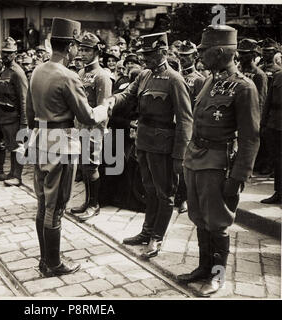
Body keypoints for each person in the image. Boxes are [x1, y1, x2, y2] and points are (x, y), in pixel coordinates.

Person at [176, 25, 260, 297]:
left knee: (218, 222)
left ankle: (217, 276)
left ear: (222, 52)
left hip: (218, 164)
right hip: (196, 160)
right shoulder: (209, 81)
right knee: (199, 217)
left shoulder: (244, 88)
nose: (200, 54)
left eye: (204, 50)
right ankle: (203, 267)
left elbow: (250, 138)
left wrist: (237, 178)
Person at [26, 17, 111, 277]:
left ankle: (45, 258)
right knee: (56, 206)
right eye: (77, 46)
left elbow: (29, 114)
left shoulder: (38, 70)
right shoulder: (69, 76)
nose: (79, 51)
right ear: (72, 45)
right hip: (61, 142)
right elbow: (86, 116)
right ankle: (53, 264)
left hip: (39, 139)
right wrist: (104, 107)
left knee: (42, 203)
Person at [107, 32, 193, 259]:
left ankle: (157, 237)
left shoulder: (175, 79)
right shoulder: (144, 75)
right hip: (143, 140)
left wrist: (179, 155)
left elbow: (185, 119)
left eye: (151, 54)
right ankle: (146, 231)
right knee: (149, 189)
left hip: (163, 144)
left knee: (165, 193)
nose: (146, 58)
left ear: (163, 52)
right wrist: (112, 99)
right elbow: (128, 95)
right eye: (144, 54)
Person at [69, 32, 112, 222]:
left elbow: (103, 107)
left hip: (93, 129)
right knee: (84, 167)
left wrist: (98, 131)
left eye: (87, 50)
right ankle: (87, 201)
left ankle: (94, 204)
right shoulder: (80, 73)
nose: (83, 53)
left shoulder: (102, 76)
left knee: (91, 167)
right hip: (79, 127)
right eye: (82, 49)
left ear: (97, 52)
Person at [176, 40, 207, 214]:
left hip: (189, 126)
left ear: (195, 57)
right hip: (173, 124)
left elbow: (198, 107)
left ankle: (184, 198)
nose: (182, 59)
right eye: (181, 56)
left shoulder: (199, 80)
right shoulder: (175, 76)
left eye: (186, 56)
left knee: (185, 163)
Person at [0, 37, 28, 186]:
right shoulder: (4, 71)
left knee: (18, 147)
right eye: (4, 53)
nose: (5, 56)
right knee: (11, 147)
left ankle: (18, 176)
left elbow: (24, 99)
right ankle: (11, 173)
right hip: (5, 117)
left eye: (9, 53)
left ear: (15, 54)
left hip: (15, 118)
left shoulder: (17, 73)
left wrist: (24, 123)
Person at [237, 39, 269, 175]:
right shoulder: (238, 72)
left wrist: (259, 121)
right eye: (240, 53)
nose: (241, 56)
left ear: (253, 55)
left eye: (245, 54)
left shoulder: (259, 75)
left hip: (251, 115)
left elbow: (261, 100)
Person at [260, 69, 282, 204]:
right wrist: (263, 124)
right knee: (278, 161)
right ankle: (279, 192)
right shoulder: (278, 75)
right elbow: (268, 101)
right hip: (274, 124)